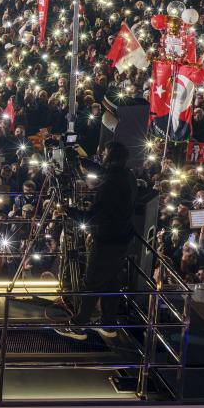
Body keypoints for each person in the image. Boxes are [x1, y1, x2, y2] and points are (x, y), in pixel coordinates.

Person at [56, 142, 136, 340]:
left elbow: (92, 217)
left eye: (104, 153)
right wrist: (85, 163)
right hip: (121, 239)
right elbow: (108, 172)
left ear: (111, 156)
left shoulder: (109, 185)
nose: (101, 155)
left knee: (92, 282)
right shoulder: (128, 175)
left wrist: (67, 210)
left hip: (106, 241)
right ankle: (108, 325)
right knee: (111, 282)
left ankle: (78, 326)